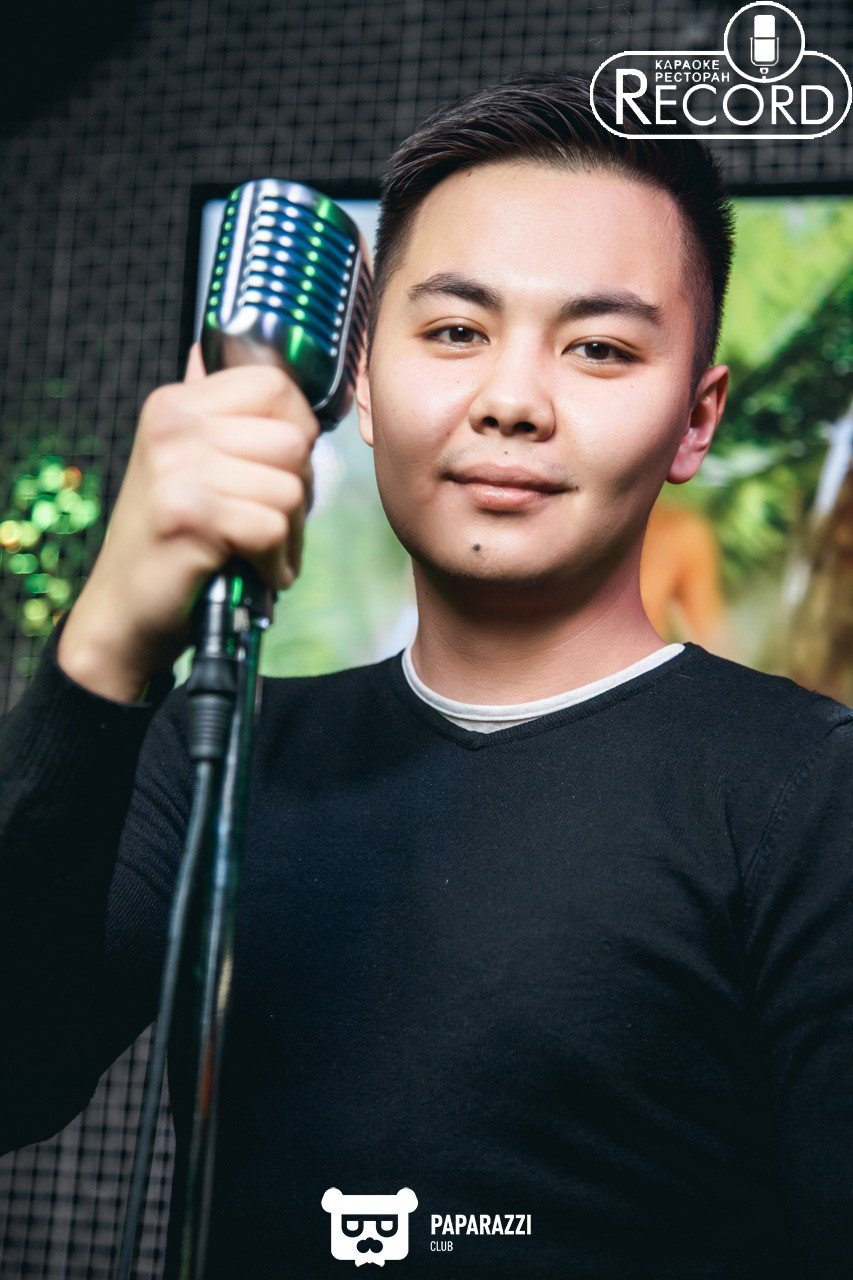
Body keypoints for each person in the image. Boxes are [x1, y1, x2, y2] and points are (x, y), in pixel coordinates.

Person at [1, 71, 851, 1280]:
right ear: (359, 376)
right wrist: (106, 643)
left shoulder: (808, 792)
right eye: (455, 331)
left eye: (599, 348)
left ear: (694, 419)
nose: (510, 401)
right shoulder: (224, 751)